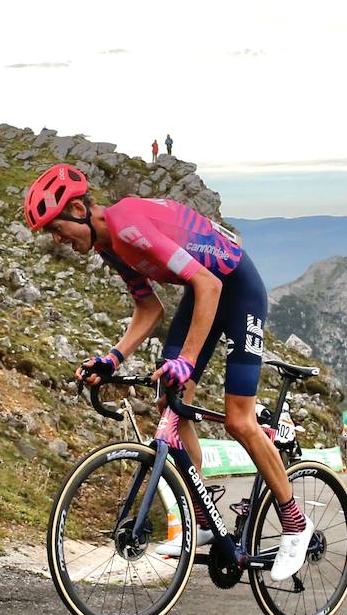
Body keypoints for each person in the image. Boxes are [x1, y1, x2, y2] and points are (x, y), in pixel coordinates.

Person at [23, 163, 316, 581]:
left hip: (237, 289)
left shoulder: (126, 227)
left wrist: (187, 359)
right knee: (170, 405)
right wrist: (112, 358)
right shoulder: (110, 246)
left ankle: (295, 523)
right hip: (204, 292)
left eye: (57, 228)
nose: (58, 240)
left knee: (238, 419)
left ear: (77, 208)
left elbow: (210, 285)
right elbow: (150, 307)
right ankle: (202, 514)